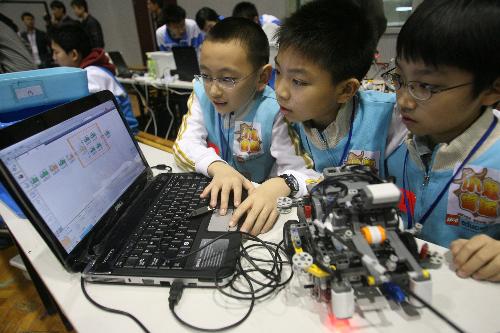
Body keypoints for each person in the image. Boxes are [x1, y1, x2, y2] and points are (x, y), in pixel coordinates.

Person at [229, 0, 402, 233]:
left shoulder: (388, 118)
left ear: (345, 90)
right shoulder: (282, 116)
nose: (280, 90)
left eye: (298, 81)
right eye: (279, 72)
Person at [384, 0, 500, 282]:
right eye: (399, 78)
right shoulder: (394, 141)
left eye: (426, 86)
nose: (404, 100)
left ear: (490, 90)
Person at [173, 17, 315, 235]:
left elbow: (304, 172)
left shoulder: (275, 110)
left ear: (262, 77)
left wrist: (279, 185)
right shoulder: (201, 94)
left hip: (259, 205)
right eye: (206, 75)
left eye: (227, 79)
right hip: (219, 200)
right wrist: (218, 167)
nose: (213, 90)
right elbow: (184, 143)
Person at [49, 24, 138, 133]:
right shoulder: (93, 69)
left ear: (74, 54)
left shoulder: (91, 76)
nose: (54, 57)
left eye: (56, 52)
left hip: (127, 134)